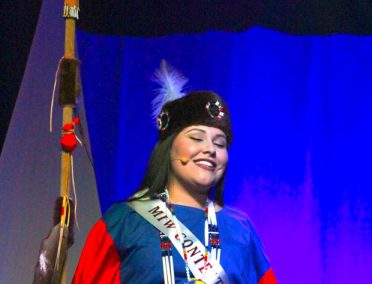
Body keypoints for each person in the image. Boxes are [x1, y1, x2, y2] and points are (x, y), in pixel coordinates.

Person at [72, 63, 277, 284]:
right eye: (196, 138)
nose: (210, 149)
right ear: (169, 146)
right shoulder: (123, 222)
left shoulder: (240, 229)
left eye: (220, 143)